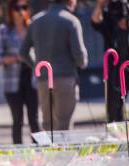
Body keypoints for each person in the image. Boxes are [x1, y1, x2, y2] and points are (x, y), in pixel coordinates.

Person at [20, 0, 88, 133]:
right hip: (65, 78)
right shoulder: (71, 21)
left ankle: (49, 152)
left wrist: (37, 66)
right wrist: (81, 62)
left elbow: (23, 52)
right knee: (63, 125)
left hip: (43, 80)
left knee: (47, 124)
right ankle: (63, 153)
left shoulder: (36, 21)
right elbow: (80, 58)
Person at [0, 0, 40, 144]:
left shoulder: (32, 28)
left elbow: (40, 53)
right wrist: (17, 57)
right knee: (17, 120)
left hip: (32, 80)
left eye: (24, 7)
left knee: (34, 119)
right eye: (17, 8)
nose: (21, 11)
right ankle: (18, 156)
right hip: (13, 82)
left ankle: (39, 155)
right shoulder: (4, 30)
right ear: (11, 10)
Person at [91, 0, 129, 122]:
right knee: (114, 104)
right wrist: (100, 5)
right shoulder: (107, 13)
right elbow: (95, 22)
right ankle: (114, 125)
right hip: (113, 65)